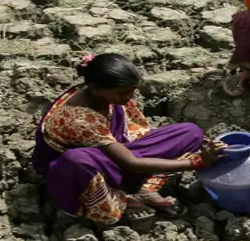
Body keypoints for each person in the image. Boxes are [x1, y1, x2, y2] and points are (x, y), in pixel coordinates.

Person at [34, 53, 220, 224]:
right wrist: (196, 163)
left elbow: (130, 137)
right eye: (123, 92)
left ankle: (146, 189)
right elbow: (132, 163)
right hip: (89, 167)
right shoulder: (80, 119)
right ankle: (121, 199)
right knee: (77, 161)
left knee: (191, 133)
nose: (130, 97)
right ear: (96, 89)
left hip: (115, 150)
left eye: (133, 90)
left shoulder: (104, 95)